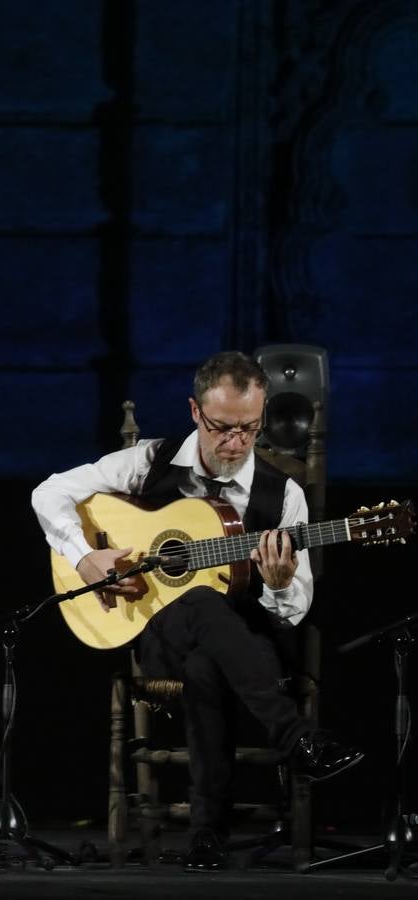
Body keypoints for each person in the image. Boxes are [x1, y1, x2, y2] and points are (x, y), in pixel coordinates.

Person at [31, 351, 362, 871]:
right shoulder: (148, 461)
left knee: (208, 662)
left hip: (248, 648)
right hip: (157, 635)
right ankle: (298, 740)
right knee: (202, 602)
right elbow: (48, 492)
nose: (235, 442)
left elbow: (293, 613)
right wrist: (83, 555)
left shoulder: (284, 497)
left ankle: (207, 836)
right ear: (194, 412)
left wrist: (277, 585)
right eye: (222, 427)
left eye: (249, 429)